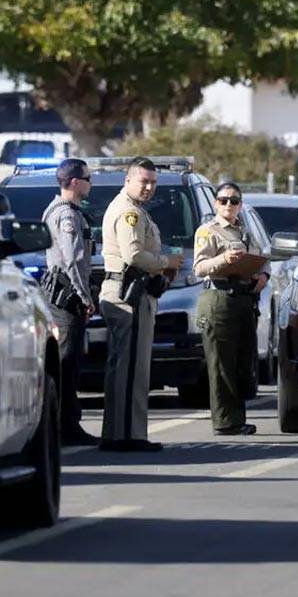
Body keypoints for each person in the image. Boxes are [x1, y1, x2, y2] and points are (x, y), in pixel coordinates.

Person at [98, 158, 183, 452]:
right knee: (131, 368)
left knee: (126, 366)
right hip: (128, 294)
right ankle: (126, 436)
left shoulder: (136, 211)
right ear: (128, 180)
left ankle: (120, 432)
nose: (148, 187)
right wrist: (166, 262)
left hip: (131, 291)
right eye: (143, 181)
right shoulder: (129, 212)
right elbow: (133, 255)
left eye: (153, 182)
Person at [193, 183, 269, 436]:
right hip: (219, 297)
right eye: (223, 200)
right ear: (215, 203)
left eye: (234, 201)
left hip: (244, 299)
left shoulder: (245, 233)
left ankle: (237, 417)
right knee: (221, 363)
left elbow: (261, 258)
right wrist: (224, 259)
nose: (228, 205)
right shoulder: (208, 231)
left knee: (242, 362)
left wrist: (263, 276)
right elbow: (200, 267)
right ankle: (226, 421)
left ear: (240, 204)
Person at [41, 159, 99, 446]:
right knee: (67, 363)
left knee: (67, 362)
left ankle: (65, 423)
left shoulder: (60, 210)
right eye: (88, 178)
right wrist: (85, 297)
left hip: (63, 296)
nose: (91, 183)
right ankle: (66, 426)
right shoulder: (67, 216)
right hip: (67, 298)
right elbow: (73, 261)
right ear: (75, 182)